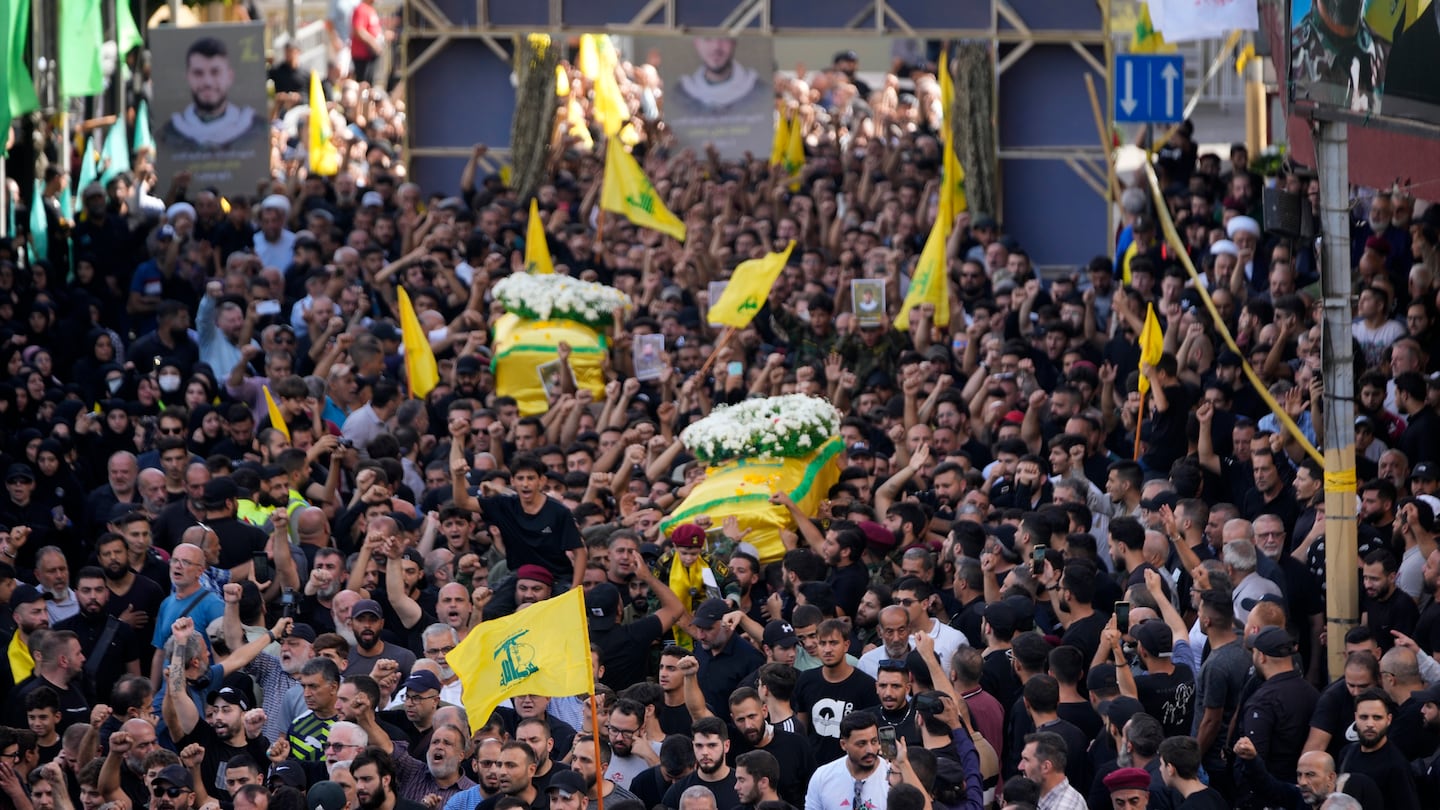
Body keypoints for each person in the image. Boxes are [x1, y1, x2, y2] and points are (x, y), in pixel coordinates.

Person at [161, 37, 267, 151]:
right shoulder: (169, 134)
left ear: (230, 76)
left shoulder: (256, 130)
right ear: (187, 77)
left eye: (215, 72)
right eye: (198, 73)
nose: (207, 82)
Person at [670, 38, 764, 113]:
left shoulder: (760, 91)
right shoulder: (679, 96)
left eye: (723, 38)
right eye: (708, 39)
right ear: (697, 43)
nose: (716, 47)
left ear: (734, 42)